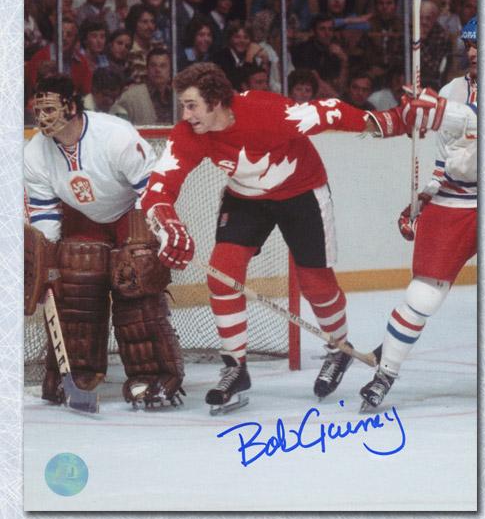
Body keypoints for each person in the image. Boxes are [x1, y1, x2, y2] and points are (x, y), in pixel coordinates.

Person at [139, 62, 439, 413]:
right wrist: (166, 220)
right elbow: (159, 185)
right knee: (222, 274)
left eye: (191, 105)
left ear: (216, 100)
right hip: (247, 199)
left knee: (316, 284)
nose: (185, 114)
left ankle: (338, 349)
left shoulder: (267, 112)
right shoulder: (190, 133)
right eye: (183, 105)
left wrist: (394, 121)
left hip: (302, 193)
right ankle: (235, 367)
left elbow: (331, 112)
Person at [24, 74, 185, 409]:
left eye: (50, 108)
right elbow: (45, 213)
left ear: (71, 105)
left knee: (135, 278)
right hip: (84, 217)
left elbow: (149, 188)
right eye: (38, 109)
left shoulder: (114, 135)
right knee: (72, 278)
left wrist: (152, 234)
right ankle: (77, 371)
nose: (42, 117)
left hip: (131, 212)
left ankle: (153, 373)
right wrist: (47, 262)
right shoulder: (35, 152)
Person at [360, 17, 477, 409]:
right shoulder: (453, 88)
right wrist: (423, 197)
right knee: (422, 296)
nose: (473, 51)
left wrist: (448, 113)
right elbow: (445, 160)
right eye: (469, 43)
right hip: (456, 201)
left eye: (481, 43)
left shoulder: (453, 100)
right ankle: (385, 372)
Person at [116, 47, 172, 125]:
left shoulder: (178, 98)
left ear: (170, 70)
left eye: (163, 66)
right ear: (147, 69)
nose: (157, 70)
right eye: (153, 65)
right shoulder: (130, 97)